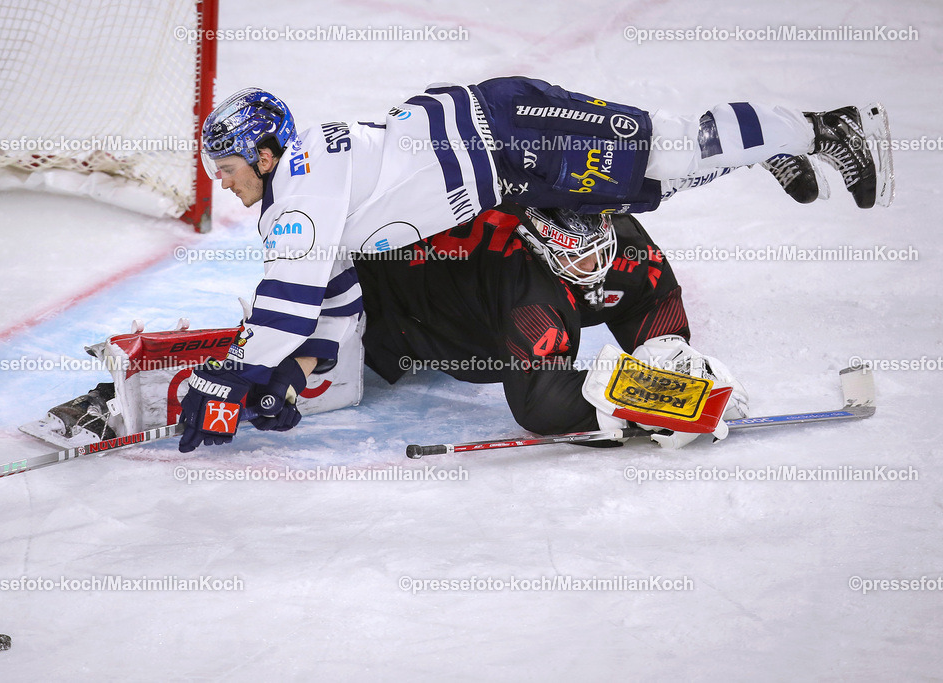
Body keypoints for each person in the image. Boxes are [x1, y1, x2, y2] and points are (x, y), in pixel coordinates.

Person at [177, 77, 891, 452]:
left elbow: (288, 301)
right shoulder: (304, 186)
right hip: (506, 157)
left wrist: (229, 371)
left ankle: (826, 129)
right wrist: (284, 382)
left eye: (230, 165)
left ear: (266, 153)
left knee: (669, 155)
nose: (223, 179)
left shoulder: (300, 195)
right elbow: (324, 310)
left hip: (511, 136)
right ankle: (777, 146)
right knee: (659, 176)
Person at [354, 204, 746, 448]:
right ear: (538, 245)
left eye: (600, 247)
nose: (595, 267)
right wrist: (651, 399)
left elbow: (649, 296)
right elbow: (539, 401)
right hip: (379, 301)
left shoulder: (618, 233)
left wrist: (671, 353)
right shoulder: (527, 287)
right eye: (577, 256)